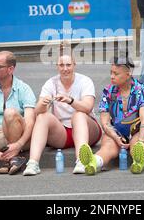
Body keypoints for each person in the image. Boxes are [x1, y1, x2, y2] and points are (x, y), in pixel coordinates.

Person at [22, 43, 101, 176]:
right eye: (61, 65)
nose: (65, 69)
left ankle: (82, 160)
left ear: (74, 64)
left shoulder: (85, 81)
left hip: (88, 128)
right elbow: (37, 112)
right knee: (42, 117)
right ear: (57, 66)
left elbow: (88, 107)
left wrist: (70, 100)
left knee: (79, 114)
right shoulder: (51, 83)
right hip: (62, 133)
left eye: (68, 65)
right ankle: (33, 163)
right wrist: (42, 104)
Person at [78, 56, 144, 175]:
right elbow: (104, 122)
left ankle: (139, 161)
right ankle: (93, 162)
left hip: (140, 131)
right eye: (111, 73)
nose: (112, 76)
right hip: (117, 132)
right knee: (107, 146)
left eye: (116, 73)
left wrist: (141, 140)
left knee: (137, 145)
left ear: (128, 74)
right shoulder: (108, 91)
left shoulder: (142, 89)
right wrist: (115, 137)